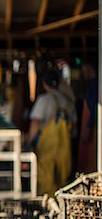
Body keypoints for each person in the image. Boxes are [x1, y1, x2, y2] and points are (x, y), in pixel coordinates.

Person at [25, 67, 76, 196]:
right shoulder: (68, 102)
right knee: (63, 181)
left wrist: (27, 141)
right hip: (65, 147)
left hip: (47, 147)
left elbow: (35, 123)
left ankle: (48, 211)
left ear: (43, 83)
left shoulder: (44, 100)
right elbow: (74, 125)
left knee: (46, 184)